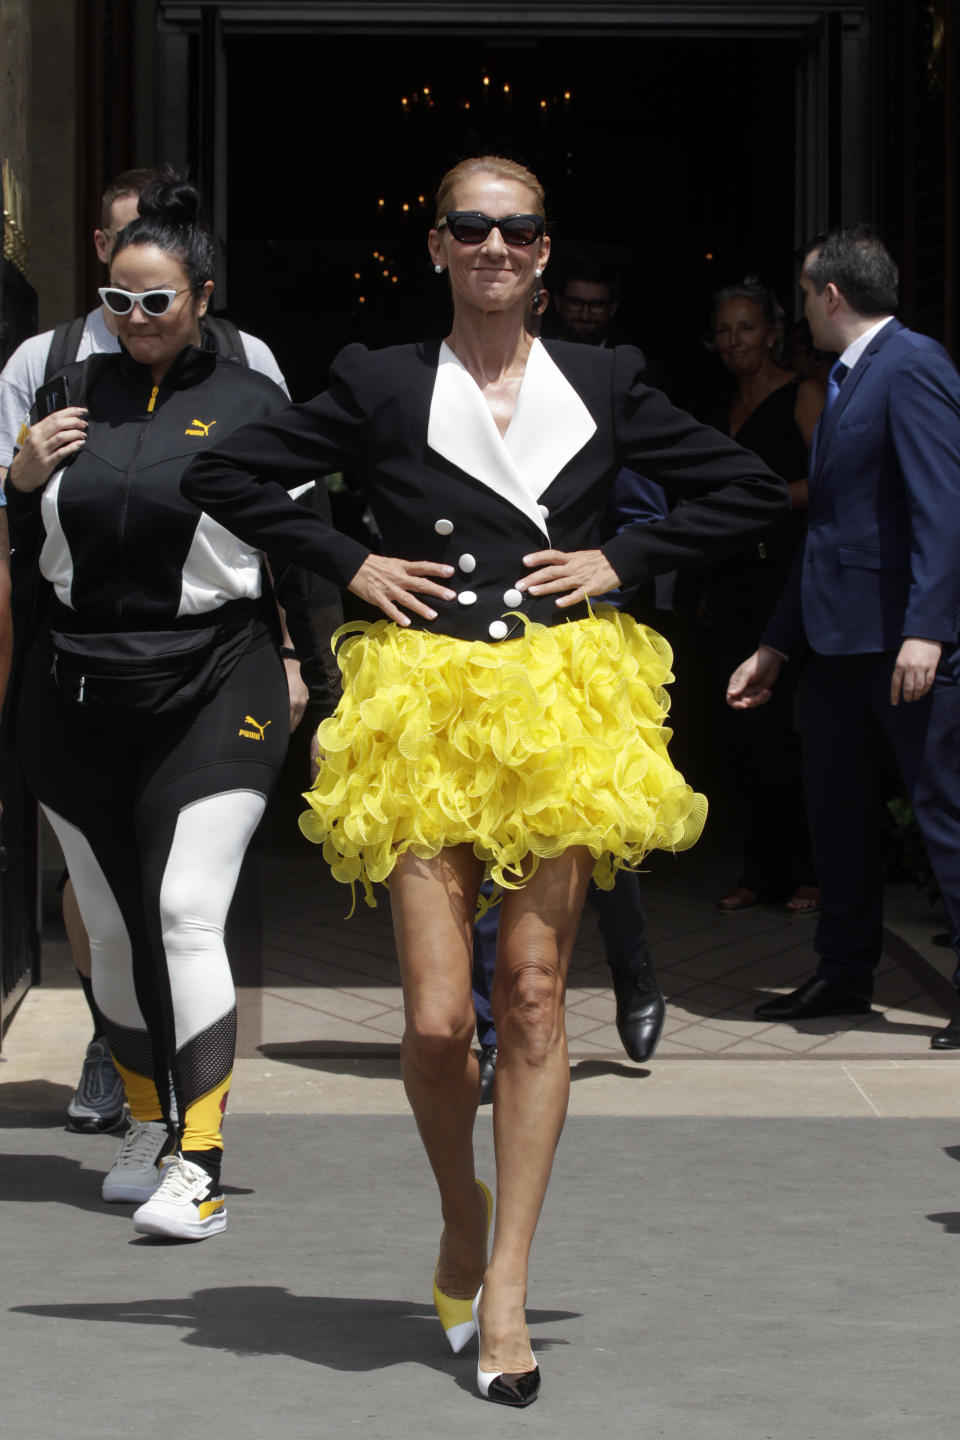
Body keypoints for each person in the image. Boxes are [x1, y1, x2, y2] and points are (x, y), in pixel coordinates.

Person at [182, 155, 788, 1404]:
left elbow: (740, 490)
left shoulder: (608, 380)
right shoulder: (379, 379)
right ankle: (461, 1214)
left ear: (546, 253)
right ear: (438, 246)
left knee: (533, 992)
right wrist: (350, 563)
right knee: (433, 1021)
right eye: (473, 228)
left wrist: (621, 556)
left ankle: (503, 1282)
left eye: (518, 231)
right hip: (423, 710)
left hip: (563, 709)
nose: (496, 248)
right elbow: (226, 476)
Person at [5, 174, 311, 1239]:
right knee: (115, 926)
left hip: (216, 680)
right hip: (76, 691)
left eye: (158, 301)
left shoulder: (254, 400)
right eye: (118, 299)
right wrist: (19, 475)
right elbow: (29, 555)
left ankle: (203, 1157)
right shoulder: (56, 387)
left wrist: (310, 665)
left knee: (184, 907)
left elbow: (299, 552)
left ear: (203, 296)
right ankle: (145, 1122)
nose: (135, 320)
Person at [727, 226, 960, 1044]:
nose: (801, 314)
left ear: (831, 294)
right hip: (832, 647)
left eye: (803, 295)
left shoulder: (916, 364)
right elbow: (827, 530)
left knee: (944, 811)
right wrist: (775, 644)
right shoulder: (841, 381)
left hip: (903, 644)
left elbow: (944, 506)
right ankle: (844, 972)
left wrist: (929, 629)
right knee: (835, 815)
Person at [703, 278, 823, 914]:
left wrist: (771, 499)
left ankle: (809, 873)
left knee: (791, 732)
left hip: (789, 582)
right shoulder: (720, 407)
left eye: (745, 327)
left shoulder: (803, 393)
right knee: (743, 733)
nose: (734, 340)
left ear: (772, 334)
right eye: (724, 330)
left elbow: (834, 479)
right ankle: (758, 872)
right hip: (732, 584)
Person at [551, 255, 621, 346]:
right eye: (575, 303)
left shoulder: (629, 359)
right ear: (558, 302)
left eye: (597, 305)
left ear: (613, 308)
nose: (585, 316)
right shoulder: (532, 355)